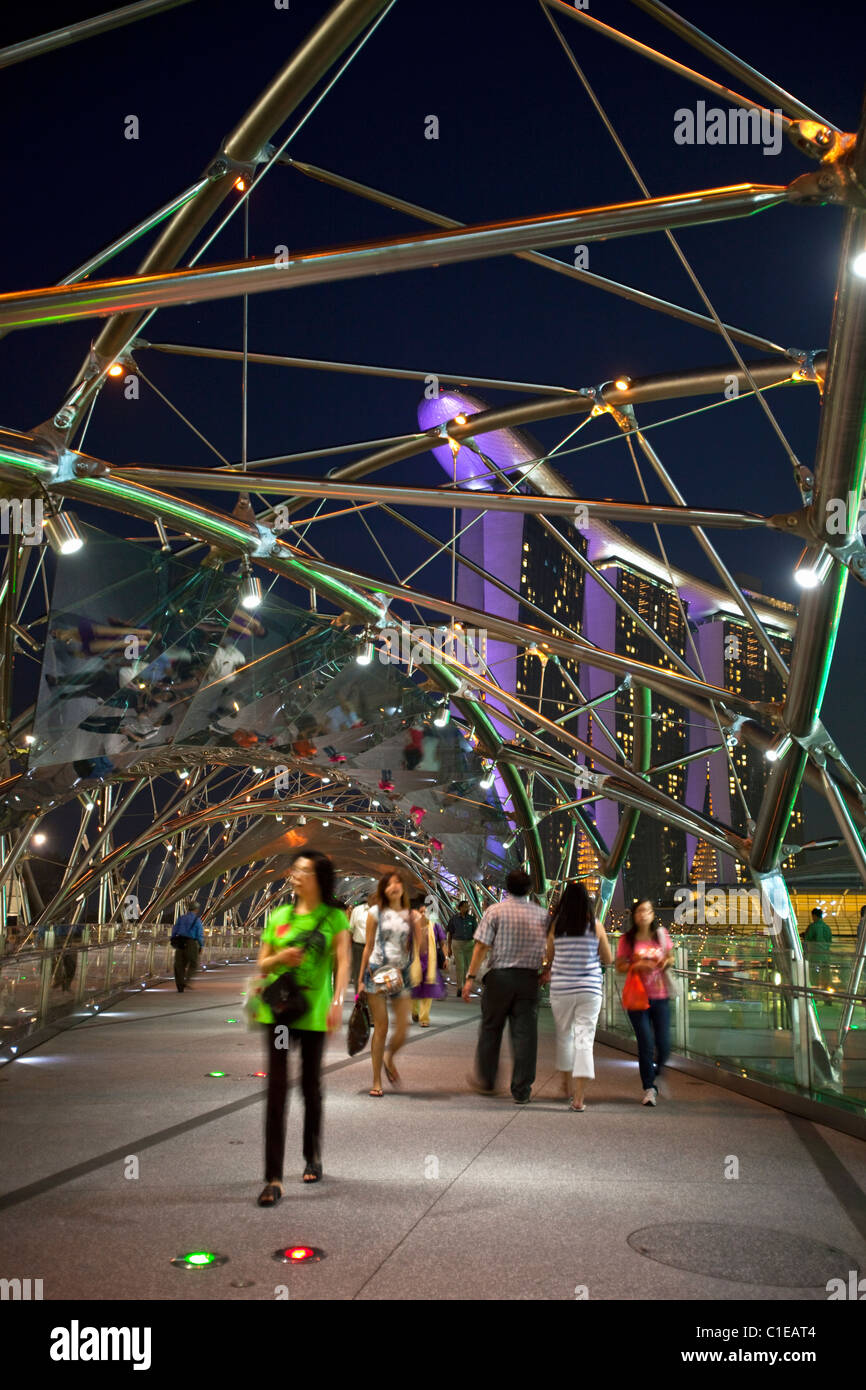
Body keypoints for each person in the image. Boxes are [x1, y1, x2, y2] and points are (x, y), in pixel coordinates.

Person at [252, 850, 350, 1202]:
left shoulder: (334, 917)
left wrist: (338, 1001)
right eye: (293, 869)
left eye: (303, 871)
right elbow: (263, 964)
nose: (294, 875)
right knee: (276, 1089)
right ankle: (273, 1178)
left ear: (318, 878)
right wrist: (282, 957)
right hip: (279, 1016)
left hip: (313, 1016)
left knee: (310, 1085)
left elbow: (343, 961)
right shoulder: (278, 915)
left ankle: (312, 1155)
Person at [463, 868, 549, 1105]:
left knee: (491, 1029)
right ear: (530, 889)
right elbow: (550, 946)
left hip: (499, 978)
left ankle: (488, 1081)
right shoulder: (541, 915)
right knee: (525, 1036)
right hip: (529, 979)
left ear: (507, 888)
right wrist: (547, 969)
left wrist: (470, 977)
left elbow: (481, 947)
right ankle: (521, 1089)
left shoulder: (495, 911)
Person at [544, 883, 612, 1111]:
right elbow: (608, 958)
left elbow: (549, 956)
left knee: (565, 1036)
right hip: (589, 989)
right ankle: (579, 1098)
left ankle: (565, 1085)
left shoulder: (556, 926)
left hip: (562, 988)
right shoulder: (596, 926)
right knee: (584, 1039)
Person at [356, 871, 423, 1096]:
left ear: (403, 888)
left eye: (397, 882)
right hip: (376, 971)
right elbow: (368, 945)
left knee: (403, 1028)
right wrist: (359, 980)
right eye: (389, 884)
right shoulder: (375, 913)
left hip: (400, 973)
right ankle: (377, 1081)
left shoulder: (412, 916)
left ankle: (389, 1056)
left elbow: (418, 949)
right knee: (381, 1027)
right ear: (383, 890)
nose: (394, 886)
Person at [615, 899, 674, 1106]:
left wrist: (664, 961)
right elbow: (619, 966)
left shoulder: (661, 935)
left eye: (648, 911)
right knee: (646, 1043)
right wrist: (636, 965)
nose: (644, 914)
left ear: (652, 914)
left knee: (664, 1045)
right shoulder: (627, 940)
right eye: (640, 911)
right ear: (634, 915)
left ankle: (654, 1070)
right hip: (638, 999)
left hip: (660, 996)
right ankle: (649, 1087)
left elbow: (670, 957)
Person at [410, 897, 446, 1025]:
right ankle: (414, 1010)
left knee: (428, 989)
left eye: (425, 911)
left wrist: (446, 957)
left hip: (430, 962)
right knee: (415, 988)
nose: (423, 914)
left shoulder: (435, 925)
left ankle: (424, 1018)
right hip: (415, 962)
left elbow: (442, 941)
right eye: (421, 912)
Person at [446, 899, 478, 997]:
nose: (467, 908)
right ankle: (460, 987)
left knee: (468, 966)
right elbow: (450, 933)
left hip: (469, 944)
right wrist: (449, 948)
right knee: (460, 966)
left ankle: (466, 988)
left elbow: (476, 933)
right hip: (457, 944)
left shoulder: (472, 919)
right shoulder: (454, 919)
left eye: (467, 906)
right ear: (459, 908)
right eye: (464, 906)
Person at [171, 902, 205, 992]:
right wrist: (201, 946)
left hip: (180, 942)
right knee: (193, 963)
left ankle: (180, 985)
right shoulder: (197, 920)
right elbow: (199, 934)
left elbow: (174, 930)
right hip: (191, 943)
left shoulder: (181, 918)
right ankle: (187, 980)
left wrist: (173, 939)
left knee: (179, 965)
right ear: (196, 909)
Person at [803, 906, 833, 988]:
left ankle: (815, 992)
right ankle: (825, 992)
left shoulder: (812, 927)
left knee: (814, 976)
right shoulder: (827, 927)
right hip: (826, 957)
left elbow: (807, 940)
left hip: (814, 957)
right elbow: (829, 941)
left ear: (814, 916)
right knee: (825, 976)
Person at [348, 897, 370, 989]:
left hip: (376, 947)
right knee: (358, 975)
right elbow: (350, 930)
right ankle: (358, 999)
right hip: (359, 947)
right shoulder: (357, 910)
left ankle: (372, 1001)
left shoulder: (382, 910)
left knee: (374, 975)